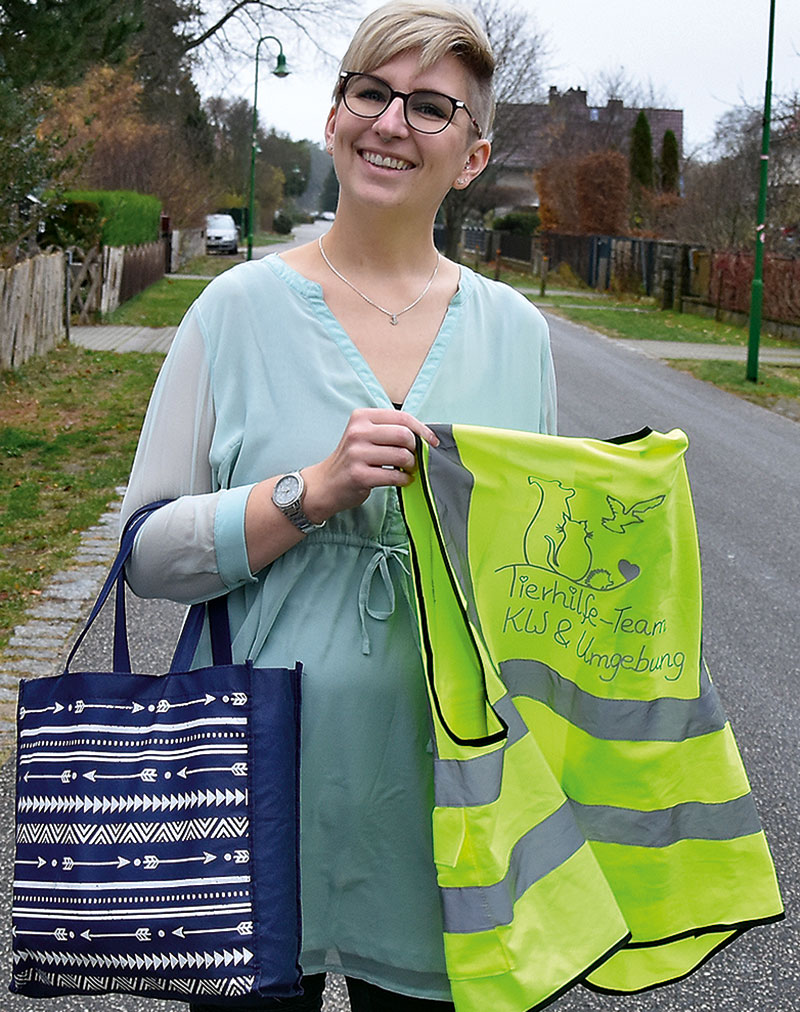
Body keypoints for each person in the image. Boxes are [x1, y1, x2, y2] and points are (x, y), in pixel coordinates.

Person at [121, 2, 556, 1009]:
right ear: (334, 118)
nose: (391, 122)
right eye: (371, 92)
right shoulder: (234, 311)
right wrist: (305, 494)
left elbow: (524, 580)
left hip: (442, 808)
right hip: (254, 795)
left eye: (430, 107)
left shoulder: (515, 336)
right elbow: (147, 554)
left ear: (474, 153)